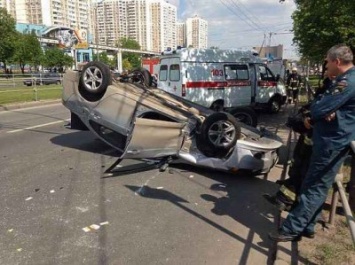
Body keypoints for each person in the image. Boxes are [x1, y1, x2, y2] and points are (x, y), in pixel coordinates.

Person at [269, 44, 355, 242]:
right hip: (328, 139)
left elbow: (320, 108)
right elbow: (320, 103)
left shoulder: (347, 82)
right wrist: (323, 110)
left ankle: (291, 229)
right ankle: (308, 226)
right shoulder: (343, 80)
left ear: (337, 61)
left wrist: (323, 111)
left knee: (314, 186)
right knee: (317, 185)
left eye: (327, 61)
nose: (326, 64)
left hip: (331, 142)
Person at [263, 68, 334, 213]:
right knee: (298, 167)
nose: (325, 70)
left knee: (302, 171)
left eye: (327, 66)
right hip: (310, 135)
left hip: (318, 138)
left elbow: (325, 110)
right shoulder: (328, 84)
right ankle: (284, 198)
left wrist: (309, 117)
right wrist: (304, 113)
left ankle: (289, 202)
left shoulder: (338, 88)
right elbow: (316, 104)